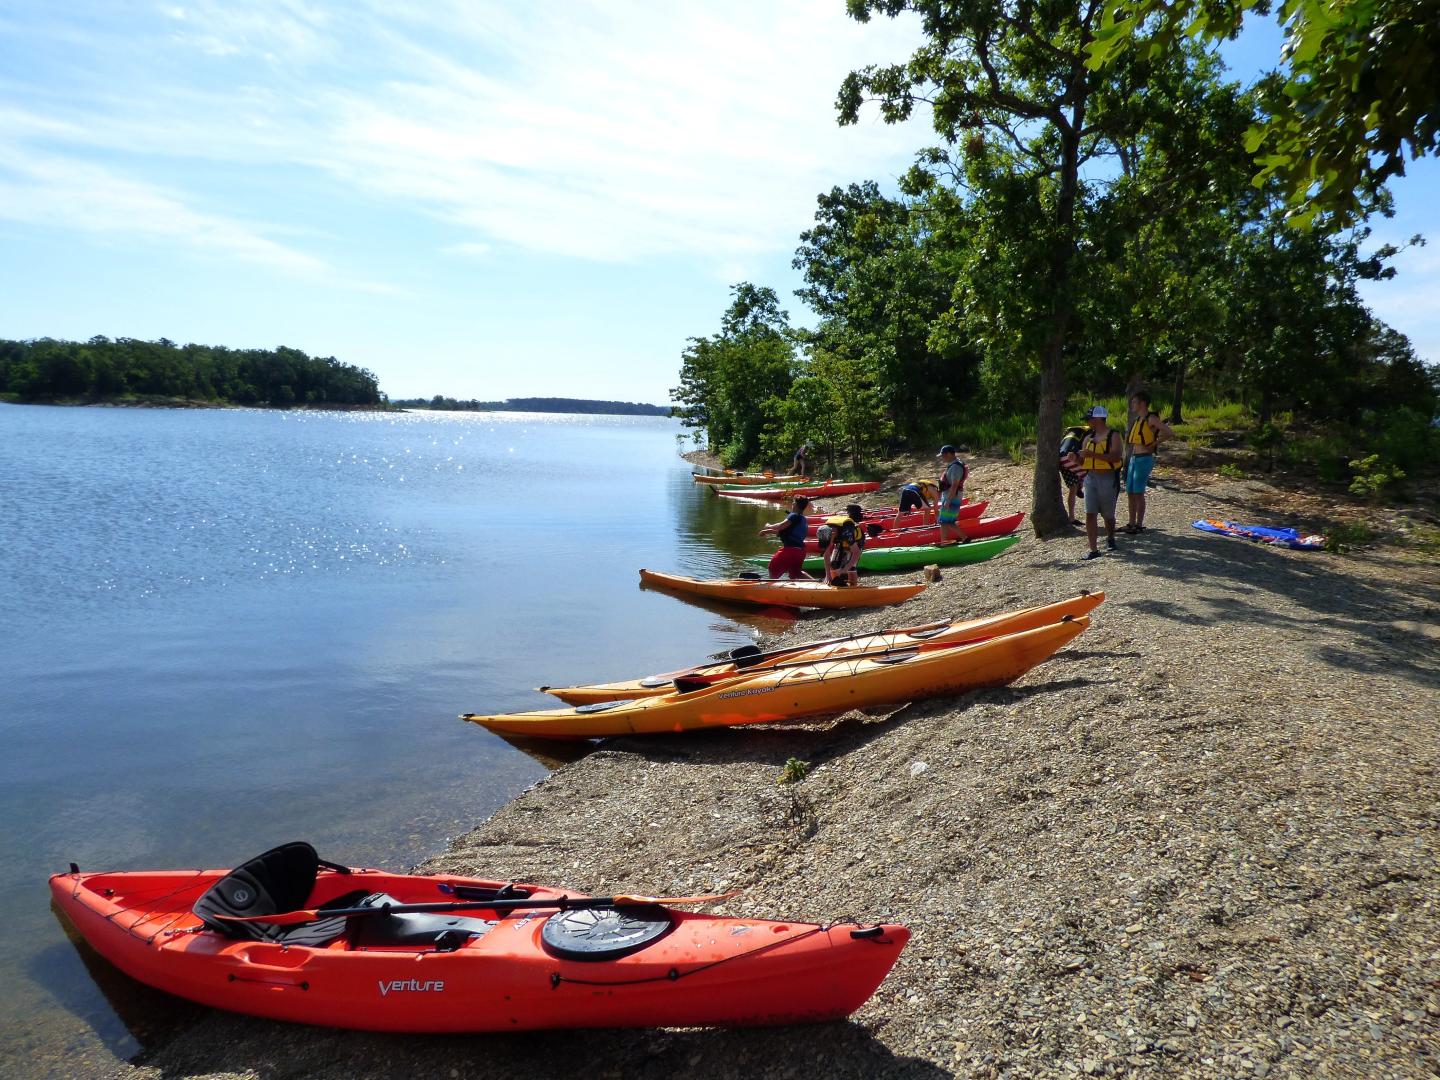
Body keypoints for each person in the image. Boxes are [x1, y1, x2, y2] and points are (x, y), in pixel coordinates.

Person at [1123, 390, 1174, 534]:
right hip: (1134, 459)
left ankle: (1139, 524)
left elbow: (1169, 432)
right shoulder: (1138, 419)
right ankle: (1131, 523)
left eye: (1134, 402)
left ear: (1142, 403)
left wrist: (1154, 444)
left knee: (1138, 492)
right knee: (1130, 492)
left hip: (1144, 458)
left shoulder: (1150, 418)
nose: (1132, 404)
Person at [1078, 406, 1122, 560]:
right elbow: (1083, 461)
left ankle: (1111, 538)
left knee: (1108, 515)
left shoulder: (1114, 436)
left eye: (1089, 419)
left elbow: (1116, 457)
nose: (1088, 422)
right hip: (1091, 478)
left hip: (1108, 478)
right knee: (1090, 513)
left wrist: (1092, 454)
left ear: (1098, 419)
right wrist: (1074, 459)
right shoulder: (1087, 438)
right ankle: (1093, 549)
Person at [759, 496, 813, 579]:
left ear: (795, 504)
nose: (792, 503)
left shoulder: (794, 516)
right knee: (796, 573)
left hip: (790, 551)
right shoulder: (803, 519)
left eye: (793, 502)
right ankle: (816, 584)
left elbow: (780, 526)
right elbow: (784, 532)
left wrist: (769, 526)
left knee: (772, 568)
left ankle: (772, 589)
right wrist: (767, 531)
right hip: (801, 552)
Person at [820, 503, 866, 587]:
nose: (830, 543)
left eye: (831, 540)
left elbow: (856, 553)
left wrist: (844, 569)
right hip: (840, 539)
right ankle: (835, 583)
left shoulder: (846, 533)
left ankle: (853, 586)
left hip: (857, 540)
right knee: (833, 563)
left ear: (834, 533)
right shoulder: (823, 532)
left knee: (850, 567)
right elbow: (826, 554)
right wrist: (827, 575)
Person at [935, 444, 968, 543]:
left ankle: (965, 538)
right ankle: (944, 541)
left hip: (952, 497)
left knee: (947, 521)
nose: (942, 458)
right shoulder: (954, 464)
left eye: (943, 455)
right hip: (950, 496)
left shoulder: (955, 467)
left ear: (949, 454)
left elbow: (954, 485)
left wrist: (948, 501)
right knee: (944, 521)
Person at [1058, 423, 1089, 525]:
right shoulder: (1090, 433)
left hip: (1061, 459)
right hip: (1071, 457)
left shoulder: (1070, 431)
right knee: (1090, 475)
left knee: (1073, 488)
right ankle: (1095, 512)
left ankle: (1071, 517)